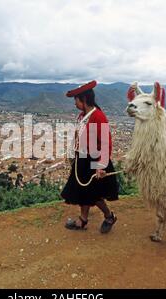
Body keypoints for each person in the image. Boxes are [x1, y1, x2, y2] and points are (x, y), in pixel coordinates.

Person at [61, 80, 119, 233]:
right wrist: (72, 153)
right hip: (82, 159)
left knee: (93, 193)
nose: (75, 103)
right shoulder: (83, 116)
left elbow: (106, 143)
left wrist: (100, 166)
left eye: (76, 100)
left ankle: (108, 216)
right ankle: (84, 219)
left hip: (94, 160)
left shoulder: (98, 116)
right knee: (84, 192)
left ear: (84, 99)